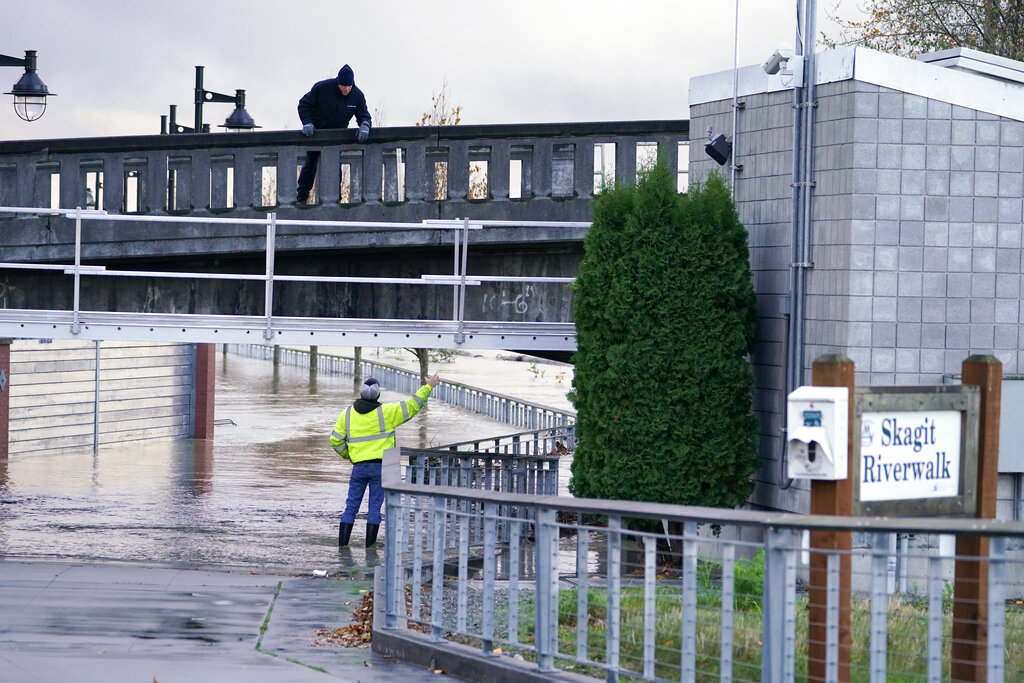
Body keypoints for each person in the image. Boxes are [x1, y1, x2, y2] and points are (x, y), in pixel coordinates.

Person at [330, 373, 440, 547]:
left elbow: (335, 440)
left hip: (358, 467)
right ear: (378, 395)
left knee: (351, 506)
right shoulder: (387, 412)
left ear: (360, 394)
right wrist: (428, 387)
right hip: (380, 468)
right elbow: (413, 405)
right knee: (375, 508)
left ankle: (342, 547)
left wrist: (349, 456)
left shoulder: (347, 414)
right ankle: (369, 549)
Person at [294, 64, 372, 205]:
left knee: (335, 168)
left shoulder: (357, 96)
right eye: (343, 85)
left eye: (349, 86)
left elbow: (364, 116)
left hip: (337, 137)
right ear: (338, 82)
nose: (346, 89)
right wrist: (307, 122)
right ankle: (301, 198)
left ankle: (336, 198)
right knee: (310, 165)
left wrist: (365, 126)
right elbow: (303, 105)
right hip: (317, 133)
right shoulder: (322, 88)